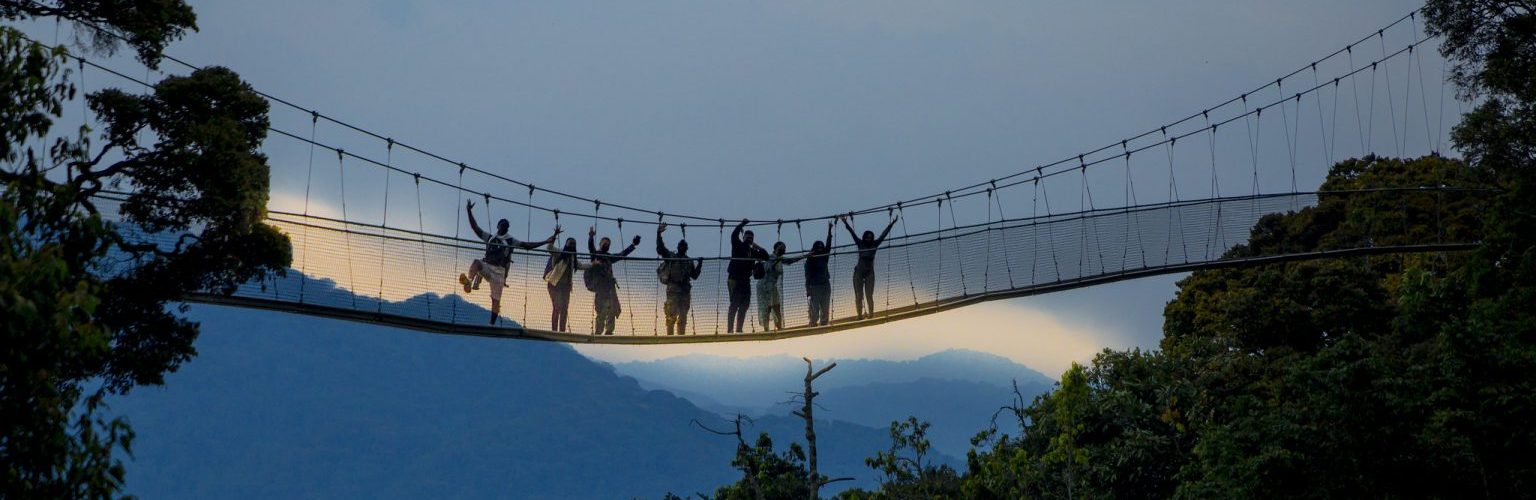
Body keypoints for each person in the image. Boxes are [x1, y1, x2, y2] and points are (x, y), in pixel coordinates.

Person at [459, 199, 559, 325]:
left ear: (506, 228)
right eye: (502, 225)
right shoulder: (490, 238)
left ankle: (491, 324)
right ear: (498, 226)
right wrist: (469, 211)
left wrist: (545, 241)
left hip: (499, 273)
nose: (503, 227)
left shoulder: (510, 241)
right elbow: (475, 228)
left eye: (505, 226)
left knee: (496, 301)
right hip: (488, 267)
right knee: (476, 263)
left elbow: (527, 245)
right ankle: (469, 280)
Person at [840, 214, 898, 320]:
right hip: (859, 272)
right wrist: (845, 223)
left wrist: (891, 224)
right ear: (864, 237)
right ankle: (859, 315)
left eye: (870, 237)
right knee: (858, 296)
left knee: (869, 295)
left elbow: (883, 235)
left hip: (870, 273)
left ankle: (871, 314)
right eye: (867, 237)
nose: (868, 239)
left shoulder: (875, 244)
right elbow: (852, 233)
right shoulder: (860, 243)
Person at [587, 226, 640, 335]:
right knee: (601, 311)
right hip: (600, 288)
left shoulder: (609, 257)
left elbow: (622, 255)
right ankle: (598, 332)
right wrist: (591, 237)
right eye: (604, 242)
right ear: (600, 244)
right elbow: (591, 247)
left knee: (611, 310)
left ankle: (609, 332)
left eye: (608, 243)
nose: (606, 244)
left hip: (610, 289)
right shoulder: (595, 255)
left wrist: (633, 245)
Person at [655, 223, 704, 335]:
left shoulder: (689, 261)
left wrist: (700, 264)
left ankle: (681, 337)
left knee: (682, 317)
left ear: (686, 249)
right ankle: (669, 337)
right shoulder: (671, 257)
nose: (682, 247)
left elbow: (694, 276)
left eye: (684, 246)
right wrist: (658, 234)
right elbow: (661, 249)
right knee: (671, 315)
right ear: (678, 248)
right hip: (673, 290)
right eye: (680, 246)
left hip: (685, 291)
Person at [726, 219, 769, 333]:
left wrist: (755, 245)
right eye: (747, 237)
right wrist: (742, 224)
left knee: (744, 306)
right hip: (735, 279)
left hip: (745, 281)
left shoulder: (752, 251)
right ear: (743, 237)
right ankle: (730, 330)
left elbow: (766, 256)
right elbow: (734, 234)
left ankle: (739, 329)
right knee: (734, 305)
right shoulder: (737, 245)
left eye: (751, 238)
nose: (749, 239)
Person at [757, 241, 807, 332]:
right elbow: (768, 268)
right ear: (777, 248)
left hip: (773, 287)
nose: (784, 250)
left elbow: (790, 261)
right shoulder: (770, 258)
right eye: (782, 248)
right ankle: (766, 328)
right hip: (765, 287)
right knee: (768, 307)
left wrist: (805, 256)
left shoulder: (779, 258)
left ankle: (778, 326)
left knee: (776, 306)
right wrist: (777, 257)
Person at [543, 237, 589, 332]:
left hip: (565, 287)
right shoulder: (559, 253)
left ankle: (562, 331)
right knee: (557, 307)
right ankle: (554, 330)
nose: (572, 245)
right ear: (566, 244)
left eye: (573, 244)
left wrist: (593, 264)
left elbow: (581, 266)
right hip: (554, 284)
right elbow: (549, 248)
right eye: (570, 243)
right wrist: (554, 236)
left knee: (564, 308)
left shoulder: (572, 258)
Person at [803, 221, 835, 327]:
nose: (821, 249)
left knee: (825, 308)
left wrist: (829, 231)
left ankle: (824, 324)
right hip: (814, 287)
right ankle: (812, 324)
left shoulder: (825, 257)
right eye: (819, 247)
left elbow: (829, 246)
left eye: (822, 247)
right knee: (814, 309)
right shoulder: (810, 259)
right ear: (815, 248)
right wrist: (808, 289)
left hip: (825, 285)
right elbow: (807, 275)